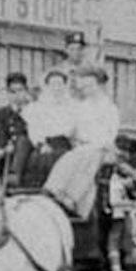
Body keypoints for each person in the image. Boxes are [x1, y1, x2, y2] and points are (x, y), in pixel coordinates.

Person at [44, 64, 120, 218]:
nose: (86, 90)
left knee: (89, 156)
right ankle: (55, 189)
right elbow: (73, 128)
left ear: (99, 85)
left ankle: (73, 197)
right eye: (84, 87)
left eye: (90, 86)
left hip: (102, 147)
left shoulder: (109, 108)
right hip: (82, 146)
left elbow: (110, 133)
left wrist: (94, 143)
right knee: (69, 158)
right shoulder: (82, 107)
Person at [21, 68, 77, 187]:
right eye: (53, 84)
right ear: (47, 86)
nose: (57, 87)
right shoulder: (38, 107)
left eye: (60, 84)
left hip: (64, 144)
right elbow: (34, 129)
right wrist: (41, 144)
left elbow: (74, 129)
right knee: (41, 159)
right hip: (45, 144)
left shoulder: (72, 106)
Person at [0, 71, 31, 185]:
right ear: (8, 93)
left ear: (26, 91)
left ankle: (14, 175)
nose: (17, 94)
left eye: (20, 90)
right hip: (9, 150)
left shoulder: (34, 109)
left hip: (28, 149)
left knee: (23, 140)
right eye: (12, 91)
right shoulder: (2, 113)